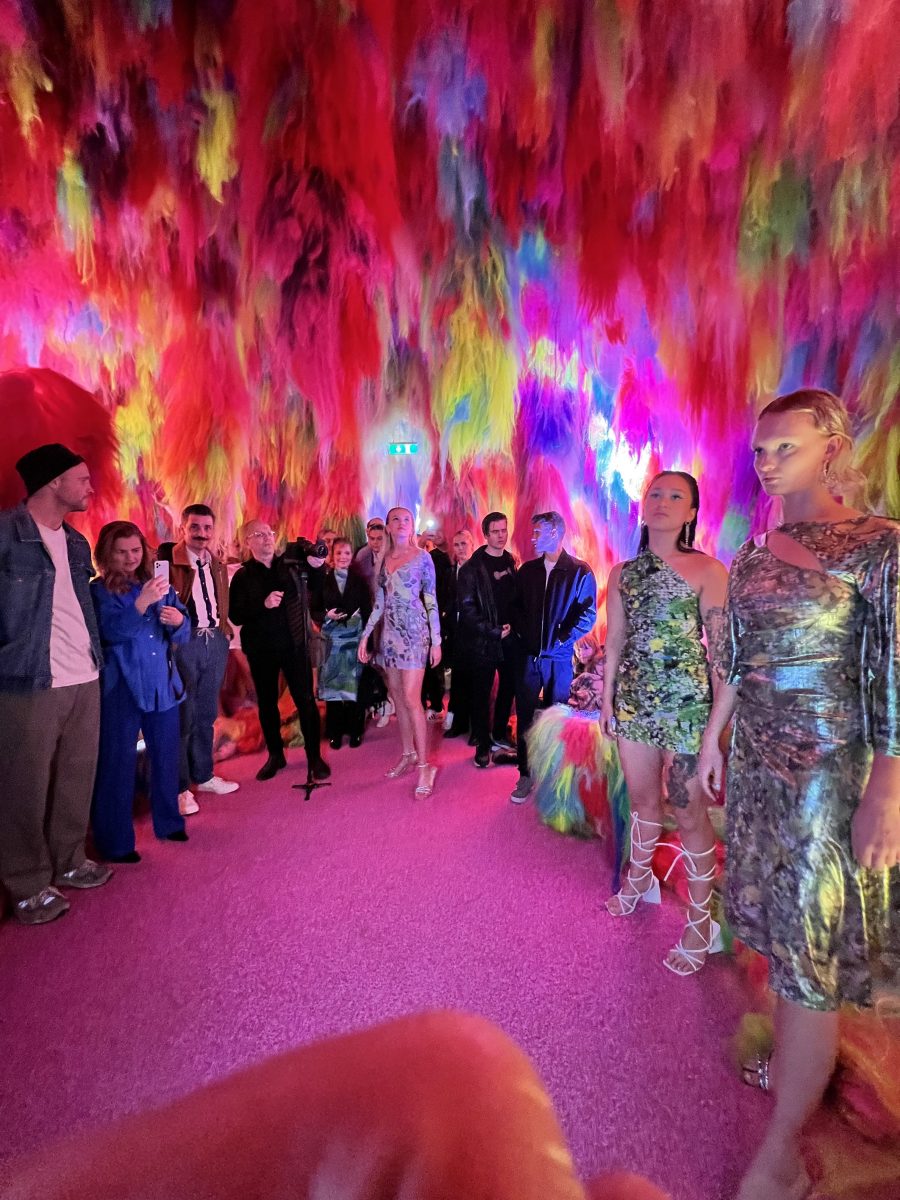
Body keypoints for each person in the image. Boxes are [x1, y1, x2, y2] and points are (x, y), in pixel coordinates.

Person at [697, 389, 900, 1200]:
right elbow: (737, 662)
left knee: (812, 955)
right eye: (760, 450)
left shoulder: (880, 545)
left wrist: (887, 790)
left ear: (831, 448)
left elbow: (895, 670)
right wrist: (712, 739)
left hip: (831, 775)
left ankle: (781, 1154)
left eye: (787, 447)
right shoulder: (752, 552)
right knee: (786, 943)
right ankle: (792, 1070)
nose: (768, 462)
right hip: (758, 767)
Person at [601, 471, 729, 977]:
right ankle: (640, 880)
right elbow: (615, 641)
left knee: (689, 813)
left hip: (687, 709)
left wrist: (715, 733)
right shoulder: (622, 573)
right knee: (642, 801)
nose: (662, 501)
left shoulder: (708, 570)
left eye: (676, 496)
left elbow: (721, 657)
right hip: (634, 704)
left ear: (691, 512)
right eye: (655, 493)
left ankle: (702, 924)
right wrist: (607, 701)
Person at [0, 444, 112, 925]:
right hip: (29, 679)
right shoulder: (6, 535)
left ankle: (69, 860)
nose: (90, 487)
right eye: (82, 478)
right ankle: (27, 883)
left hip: (85, 673)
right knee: (23, 786)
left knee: (76, 775)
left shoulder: (76, 542)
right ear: (53, 482)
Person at [90, 521, 190, 861]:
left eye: (135, 550)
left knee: (166, 757)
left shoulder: (158, 583)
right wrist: (141, 604)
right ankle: (115, 842)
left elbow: (183, 631)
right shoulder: (98, 591)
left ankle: (169, 822)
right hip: (122, 686)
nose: (130, 558)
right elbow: (110, 632)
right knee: (117, 763)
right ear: (107, 554)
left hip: (162, 683)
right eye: (122, 552)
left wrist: (179, 621)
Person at [228, 520, 331, 782]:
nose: (266, 538)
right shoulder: (242, 576)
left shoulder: (291, 566)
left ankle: (314, 757)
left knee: (305, 700)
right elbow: (235, 615)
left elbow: (316, 586)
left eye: (269, 533)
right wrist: (262, 604)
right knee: (267, 704)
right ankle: (275, 755)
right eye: (259, 534)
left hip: (295, 646)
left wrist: (317, 566)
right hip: (261, 650)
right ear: (248, 541)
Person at [509, 511, 597, 803]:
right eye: (533, 532)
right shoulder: (527, 571)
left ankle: (555, 775)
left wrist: (562, 637)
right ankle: (525, 773)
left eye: (538, 532)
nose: (533, 538)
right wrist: (524, 635)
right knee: (525, 716)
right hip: (529, 657)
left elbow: (587, 614)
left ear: (556, 533)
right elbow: (515, 607)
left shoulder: (579, 571)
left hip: (559, 659)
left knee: (557, 716)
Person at [157, 505, 237, 814]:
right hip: (184, 642)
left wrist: (223, 631)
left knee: (206, 713)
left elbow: (220, 601)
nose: (201, 534)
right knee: (183, 716)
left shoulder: (216, 563)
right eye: (195, 527)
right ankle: (180, 789)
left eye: (207, 528)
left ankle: (203, 775)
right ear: (183, 528)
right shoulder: (166, 563)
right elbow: (159, 606)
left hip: (214, 640)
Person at [359, 507, 442, 798]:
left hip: (416, 633)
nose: (402, 523)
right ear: (389, 527)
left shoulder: (423, 558)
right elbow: (379, 604)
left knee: (410, 698)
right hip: (390, 636)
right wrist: (366, 636)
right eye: (396, 519)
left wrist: (437, 640)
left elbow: (431, 600)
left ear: (412, 525)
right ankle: (408, 754)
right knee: (397, 696)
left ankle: (425, 766)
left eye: (407, 519)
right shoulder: (383, 560)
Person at [456, 512, 519, 768]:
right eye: (495, 531)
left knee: (508, 687)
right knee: (481, 694)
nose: (501, 535)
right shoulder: (471, 568)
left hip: (510, 638)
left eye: (504, 530)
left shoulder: (511, 561)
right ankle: (482, 743)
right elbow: (467, 610)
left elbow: (515, 599)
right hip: (484, 641)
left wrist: (514, 626)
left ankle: (499, 732)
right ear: (485, 534)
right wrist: (492, 631)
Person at [317, 537, 371, 749]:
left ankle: (355, 730)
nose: (343, 557)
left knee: (354, 687)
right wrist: (326, 614)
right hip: (331, 642)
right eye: (339, 553)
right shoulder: (323, 579)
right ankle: (335, 732)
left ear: (352, 556)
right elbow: (313, 608)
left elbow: (367, 611)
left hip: (355, 639)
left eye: (347, 553)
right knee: (333, 688)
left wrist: (368, 643)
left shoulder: (359, 581)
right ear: (332, 556)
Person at [443, 529, 475, 739]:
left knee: (475, 682)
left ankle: (475, 727)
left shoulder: (479, 571)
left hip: (475, 634)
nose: (461, 548)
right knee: (458, 681)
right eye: (457, 545)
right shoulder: (450, 573)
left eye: (464, 543)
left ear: (472, 545)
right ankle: (459, 723)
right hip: (455, 634)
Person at [422, 527, 453, 719]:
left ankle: (454, 711)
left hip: (454, 617)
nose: (437, 533)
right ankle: (435, 704)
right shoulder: (429, 557)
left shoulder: (456, 555)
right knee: (432, 664)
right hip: (432, 615)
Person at [354, 517, 386, 595]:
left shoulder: (392, 554)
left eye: (379, 538)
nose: (375, 542)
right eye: (372, 538)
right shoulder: (362, 555)